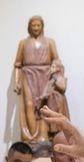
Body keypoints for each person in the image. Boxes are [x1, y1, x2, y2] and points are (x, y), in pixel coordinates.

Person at [14, 15, 69, 146]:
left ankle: (44, 137)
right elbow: (17, 64)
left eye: (38, 25)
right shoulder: (23, 43)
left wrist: (55, 67)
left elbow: (56, 59)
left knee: (45, 107)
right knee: (29, 105)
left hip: (46, 75)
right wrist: (16, 81)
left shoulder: (50, 42)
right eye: (33, 25)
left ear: (42, 26)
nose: (36, 28)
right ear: (29, 27)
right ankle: (32, 138)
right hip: (28, 75)